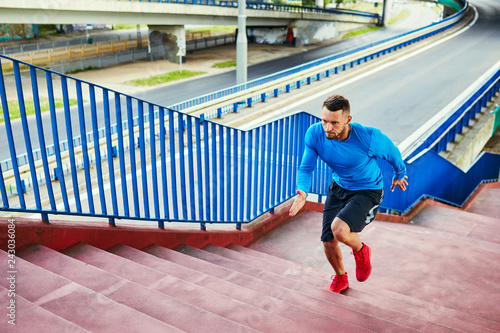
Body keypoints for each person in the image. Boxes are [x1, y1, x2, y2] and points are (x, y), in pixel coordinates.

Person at [289, 94, 408, 293]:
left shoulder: (368, 137)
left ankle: (361, 251)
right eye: (324, 121)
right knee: (328, 240)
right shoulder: (315, 134)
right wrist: (302, 192)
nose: (328, 128)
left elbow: (392, 152)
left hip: (367, 190)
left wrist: (400, 173)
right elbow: (306, 168)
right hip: (339, 186)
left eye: (334, 123)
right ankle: (341, 277)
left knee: (340, 229)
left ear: (348, 120)